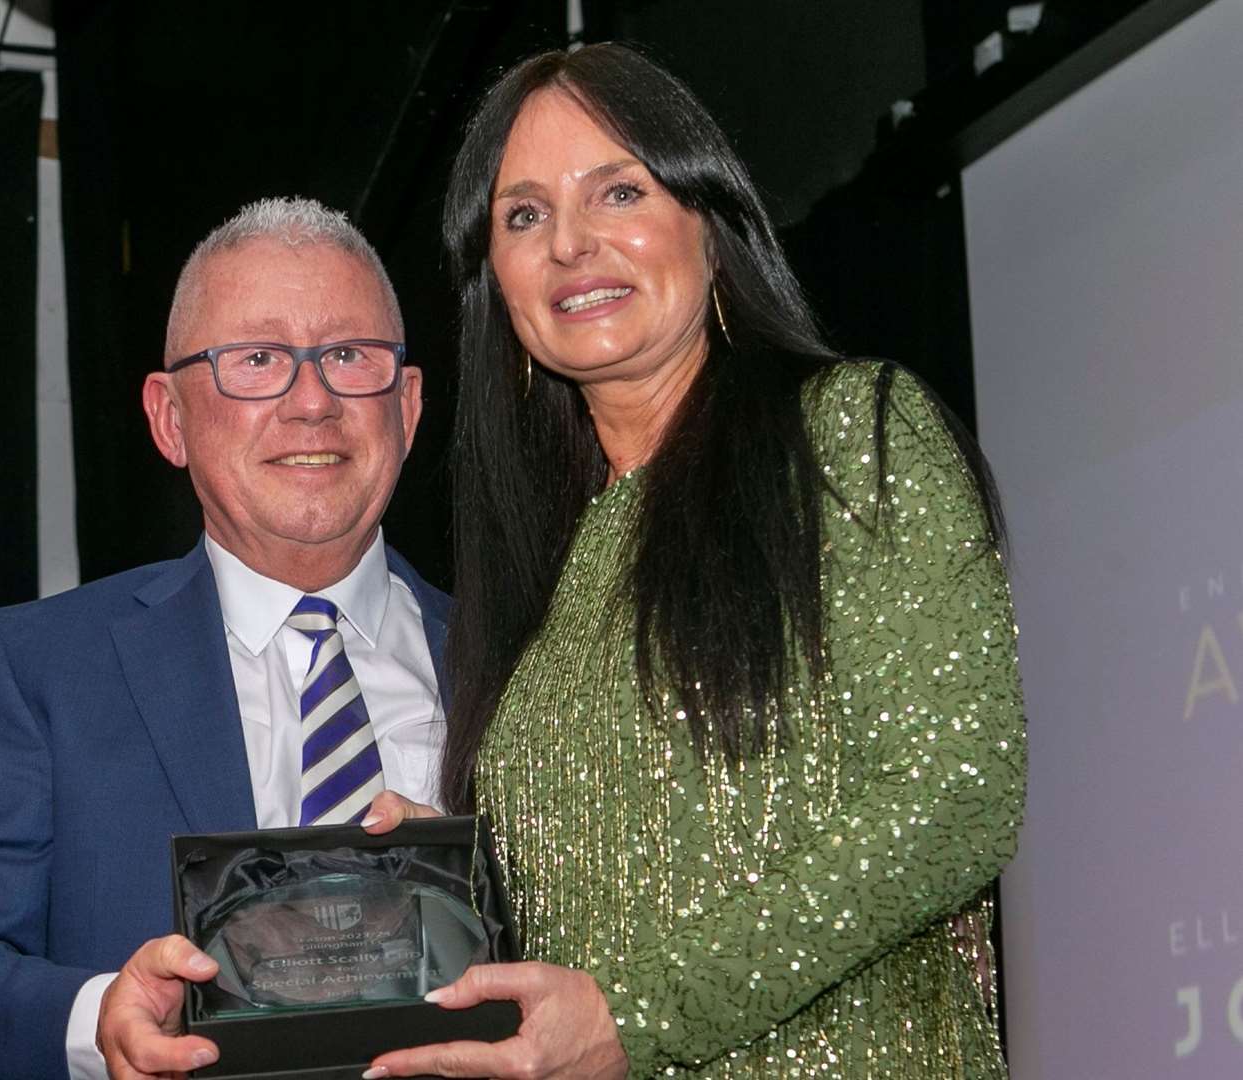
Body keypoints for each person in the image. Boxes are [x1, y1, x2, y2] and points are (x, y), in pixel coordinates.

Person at [364, 44, 1027, 1080]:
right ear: (495, 280)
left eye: (618, 190)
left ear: (710, 229)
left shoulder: (849, 435)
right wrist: (451, 879)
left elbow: (954, 795)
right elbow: (619, 888)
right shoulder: (545, 564)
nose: (571, 245)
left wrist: (636, 1015)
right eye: (525, 216)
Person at [0, 197, 449, 1080]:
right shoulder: (40, 671)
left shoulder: (524, 661)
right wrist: (101, 1019)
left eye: (348, 355)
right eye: (257, 359)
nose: (313, 400)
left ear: (405, 405)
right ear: (170, 418)